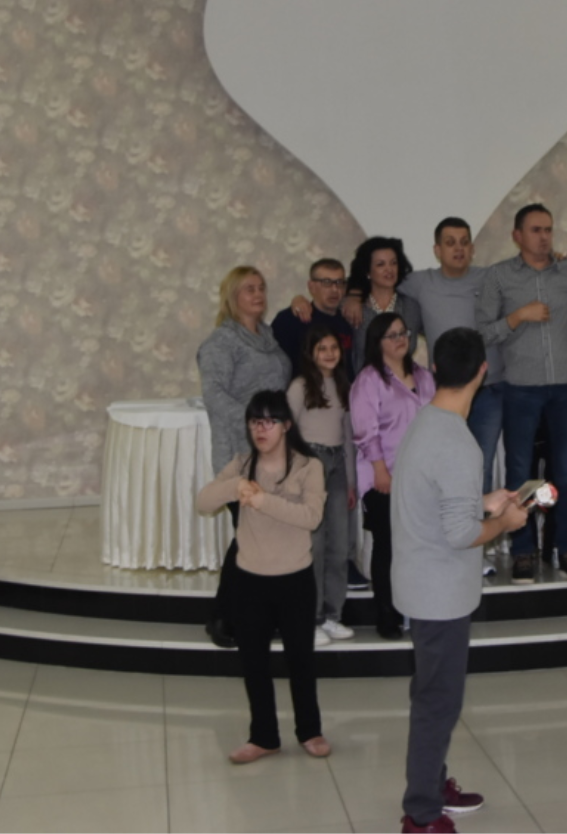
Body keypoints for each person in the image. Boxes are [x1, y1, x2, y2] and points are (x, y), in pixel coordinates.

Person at [392, 329, 528, 834]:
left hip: (420, 580)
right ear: (482, 371)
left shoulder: (428, 421)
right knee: (438, 703)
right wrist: (504, 523)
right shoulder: (457, 442)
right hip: (439, 593)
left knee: (432, 694)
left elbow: (439, 501)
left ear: (434, 369)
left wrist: (485, 502)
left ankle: (432, 782)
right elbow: (461, 534)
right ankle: (422, 813)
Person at [196, 391, 330, 763]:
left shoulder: (308, 466)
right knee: (253, 662)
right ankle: (264, 736)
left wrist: (262, 501)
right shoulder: (241, 465)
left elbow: (311, 517)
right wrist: (234, 487)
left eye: (270, 421)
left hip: (295, 579)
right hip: (250, 580)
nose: (261, 429)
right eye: (255, 421)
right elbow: (203, 501)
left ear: (286, 425)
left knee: (300, 659)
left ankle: (310, 730)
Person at [475, 203, 567, 584]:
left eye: (548, 230)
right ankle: (523, 551)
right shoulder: (499, 276)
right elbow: (482, 332)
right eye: (536, 230)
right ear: (517, 235)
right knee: (520, 473)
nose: (544, 237)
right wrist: (517, 317)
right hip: (521, 388)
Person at [197, 266, 294, 649]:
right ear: (232, 296)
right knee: (251, 537)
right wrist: (259, 424)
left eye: (262, 288)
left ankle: (253, 614)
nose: (258, 294)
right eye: (249, 289)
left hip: (273, 454)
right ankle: (223, 616)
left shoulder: (267, 337)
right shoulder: (221, 342)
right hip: (239, 454)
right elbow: (214, 396)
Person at [398, 218, 506, 496]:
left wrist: (556, 262)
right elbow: (378, 277)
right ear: (437, 250)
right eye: (450, 243)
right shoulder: (421, 282)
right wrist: (353, 295)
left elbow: (528, 278)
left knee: (480, 464)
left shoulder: (491, 278)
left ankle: (476, 521)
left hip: (489, 390)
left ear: (472, 249)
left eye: (464, 242)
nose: (458, 249)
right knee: (445, 464)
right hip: (446, 393)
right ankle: (451, 521)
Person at [351, 311, 435, 639]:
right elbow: (364, 431)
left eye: (404, 332)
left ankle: (417, 609)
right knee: (387, 546)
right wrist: (380, 470)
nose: (401, 339)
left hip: (419, 478)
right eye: (392, 335)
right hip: (383, 478)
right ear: (378, 342)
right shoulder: (369, 380)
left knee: (418, 546)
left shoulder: (424, 376)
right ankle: (386, 614)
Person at [287, 324, 357, 642]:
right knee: (313, 545)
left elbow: (348, 437)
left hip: (338, 465)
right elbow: (288, 433)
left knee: (339, 545)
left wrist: (351, 482)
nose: (329, 354)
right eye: (322, 349)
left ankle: (332, 614)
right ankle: (311, 617)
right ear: (311, 354)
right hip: (310, 462)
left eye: (334, 348)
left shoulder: (343, 385)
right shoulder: (300, 386)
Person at [347, 237, 424, 374]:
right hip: (363, 385)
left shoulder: (412, 307)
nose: (389, 269)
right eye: (380, 264)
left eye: (393, 263)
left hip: (405, 384)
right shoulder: (353, 307)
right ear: (367, 271)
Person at [274, 258, 354, 373]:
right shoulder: (291, 320)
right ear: (311, 287)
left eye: (339, 282)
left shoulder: (349, 318)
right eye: (326, 283)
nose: (335, 289)